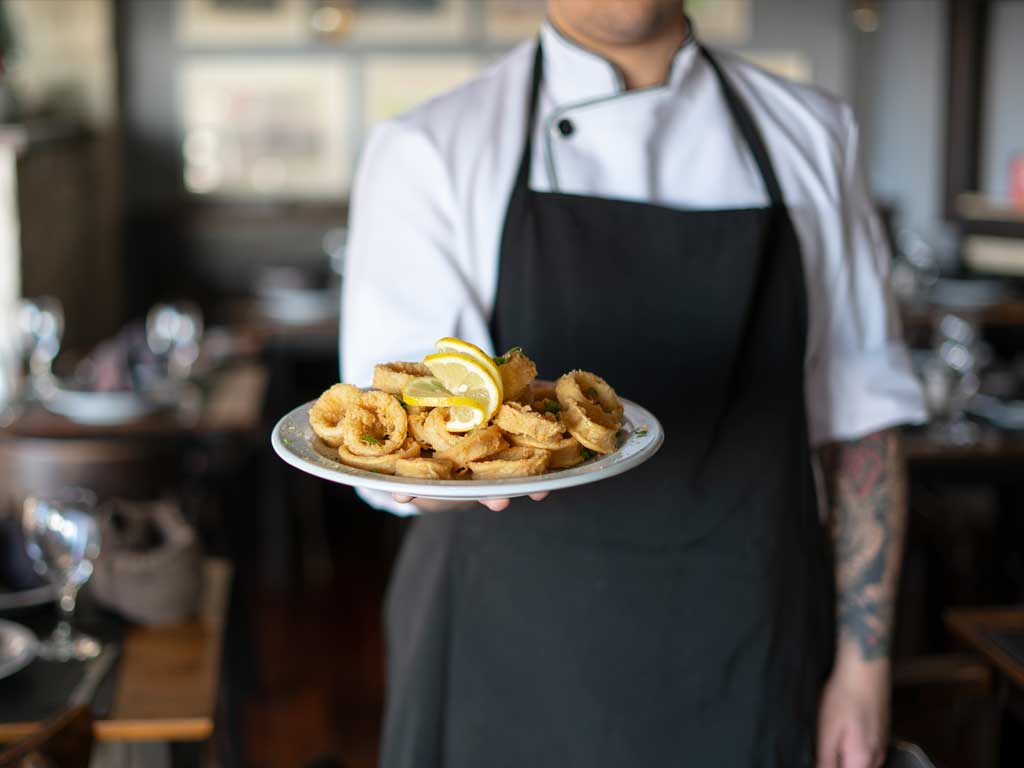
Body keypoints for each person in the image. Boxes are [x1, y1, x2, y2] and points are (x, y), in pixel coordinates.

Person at [341, 1, 927, 766]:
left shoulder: (813, 134)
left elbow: (860, 421)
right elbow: (400, 439)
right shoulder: (430, 146)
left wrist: (864, 668)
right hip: (507, 658)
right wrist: (449, 471)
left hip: (751, 643)